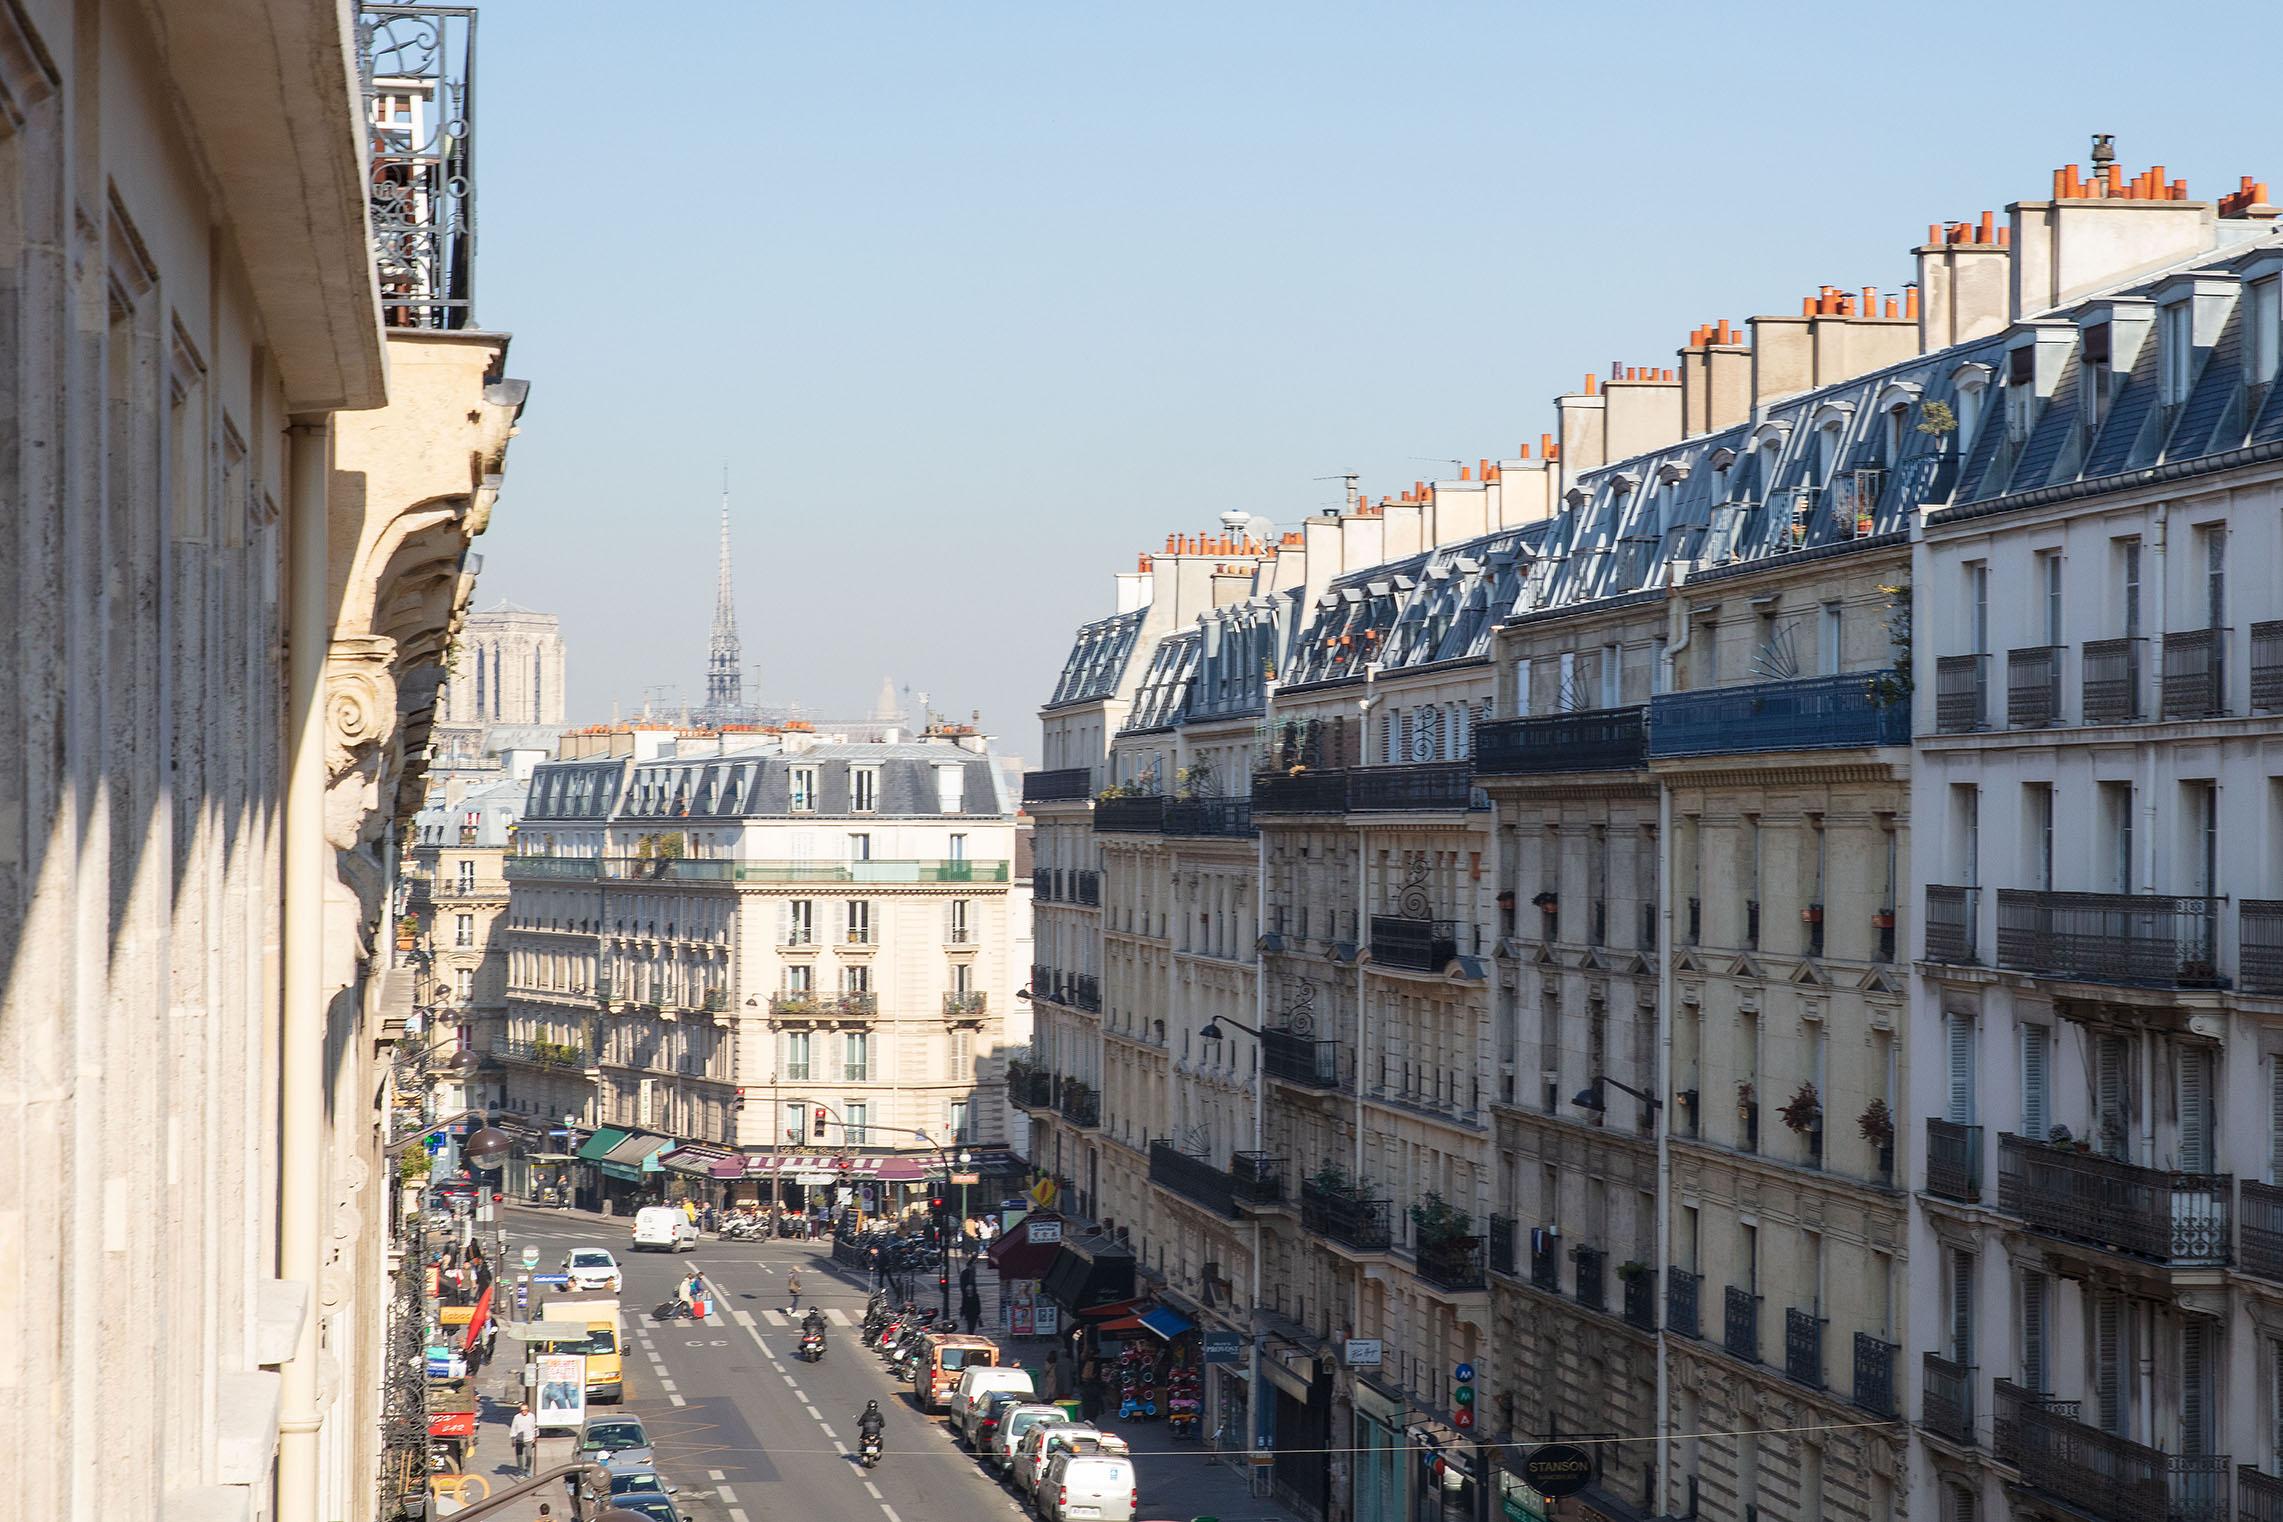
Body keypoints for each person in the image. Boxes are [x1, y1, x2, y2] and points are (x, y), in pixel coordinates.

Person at [509, 1401, 537, 1475]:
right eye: (522, 1410)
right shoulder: (517, 1417)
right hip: (519, 1439)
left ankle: (527, 1469)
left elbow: (534, 1427)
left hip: (529, 1438)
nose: (524, 1412)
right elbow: (513, 1428)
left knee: (529, 1455)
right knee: (519, 1456)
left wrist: (535, 1436)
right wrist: (512, 1438)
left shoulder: (532, 1416)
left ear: (528, 1410)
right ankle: (521, 1470)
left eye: (526, 1410)